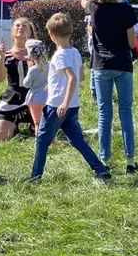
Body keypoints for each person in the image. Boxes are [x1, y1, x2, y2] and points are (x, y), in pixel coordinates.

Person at [29, 13, 111, 182]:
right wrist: (53, 84)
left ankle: (36, 176)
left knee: (42, 141)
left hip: (57, 106)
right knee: (76, 140)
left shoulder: (59, 56)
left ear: (51, 35)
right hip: (73, 105)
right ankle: (100, 169)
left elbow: (73, 78)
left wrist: (63, 102)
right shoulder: (74, 52)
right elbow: (81, 76)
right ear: (70, 32)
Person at [81, 0, 138, 173]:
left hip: (100, 66)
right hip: (122, 65)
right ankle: (130, 162)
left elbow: (83, 2)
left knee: (104, 114)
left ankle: (104, 162)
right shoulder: (126, 9)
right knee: (125, 112)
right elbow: (132, 43)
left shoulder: (93, 7)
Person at [0, 17, 38, 142]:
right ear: (12, 32)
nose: (20, 28)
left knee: (44, 136)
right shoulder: (6, 55)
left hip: (35, 97)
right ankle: (14, 125)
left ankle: (34, 126)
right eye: (17, 25)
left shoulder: (38, 54)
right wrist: (1, 58)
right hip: (12, 98)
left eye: (24, 26)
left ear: (30, 32)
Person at [23, 39, 48, 134]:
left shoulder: (33, 69)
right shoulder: (50, 66)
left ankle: (40, 144)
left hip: (35, 99)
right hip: (49, 97)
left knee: (38, 123)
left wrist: (29, 69)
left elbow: (26, 84)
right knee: (48, 123)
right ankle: (52, 144)